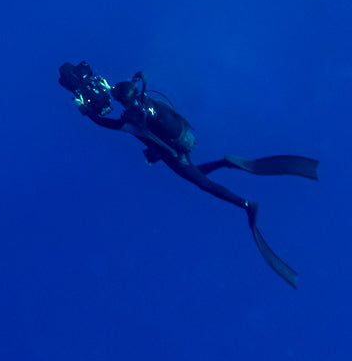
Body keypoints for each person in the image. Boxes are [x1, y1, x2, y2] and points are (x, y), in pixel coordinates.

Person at [58, 61, 319, 288]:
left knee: (202, 183)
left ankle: (246, 205)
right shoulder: (143, 98)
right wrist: (135, 80)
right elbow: (137, 82)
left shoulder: (131, 120)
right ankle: (225, 163)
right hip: (182, 139)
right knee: (196, 176)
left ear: (122, 100)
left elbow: (107, 123)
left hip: (173, 154)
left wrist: (86, 112)